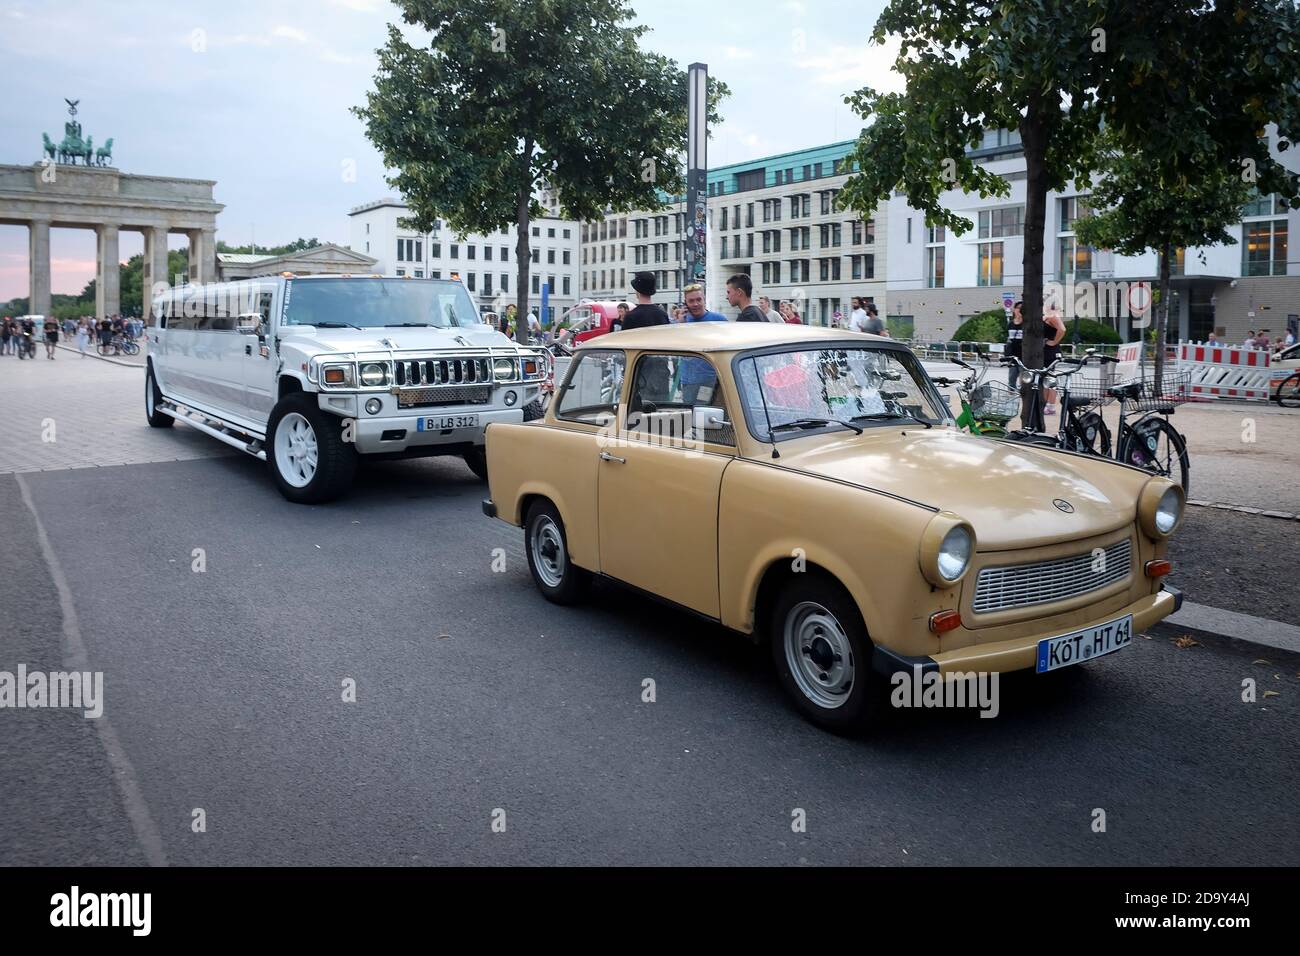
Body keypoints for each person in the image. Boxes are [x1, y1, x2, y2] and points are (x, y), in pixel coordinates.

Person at [680, 283, 728, 404]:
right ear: (685, 303)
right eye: (691, 301)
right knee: (692, 417)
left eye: (698, 299)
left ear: (704, 299)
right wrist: (679, 326)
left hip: (712, 380)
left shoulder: (719, 320)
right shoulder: (681, 322)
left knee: (707, 417)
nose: (695, 304)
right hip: (688, 381)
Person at [1042, 301, 1067, 416]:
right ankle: (1046, 404)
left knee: (1049, 378)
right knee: (1046, 378)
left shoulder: (1053, 316)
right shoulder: (1047, 316)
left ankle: (1050, 406)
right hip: (1046, 350)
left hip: (1050, 351)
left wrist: (1053, 342)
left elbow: (1062, 329)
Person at [1005, 300, 1025, 387]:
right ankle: (1011, 398)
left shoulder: (1027, 324)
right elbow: (1009, 340)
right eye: (1018, 308)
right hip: (1012, 357)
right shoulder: (1010, 324)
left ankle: (1022, 399)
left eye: (1022, 308)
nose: (1020, 310)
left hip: (1024, 357)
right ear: (1014, 310)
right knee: (1011, 381)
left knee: (1023, 382)